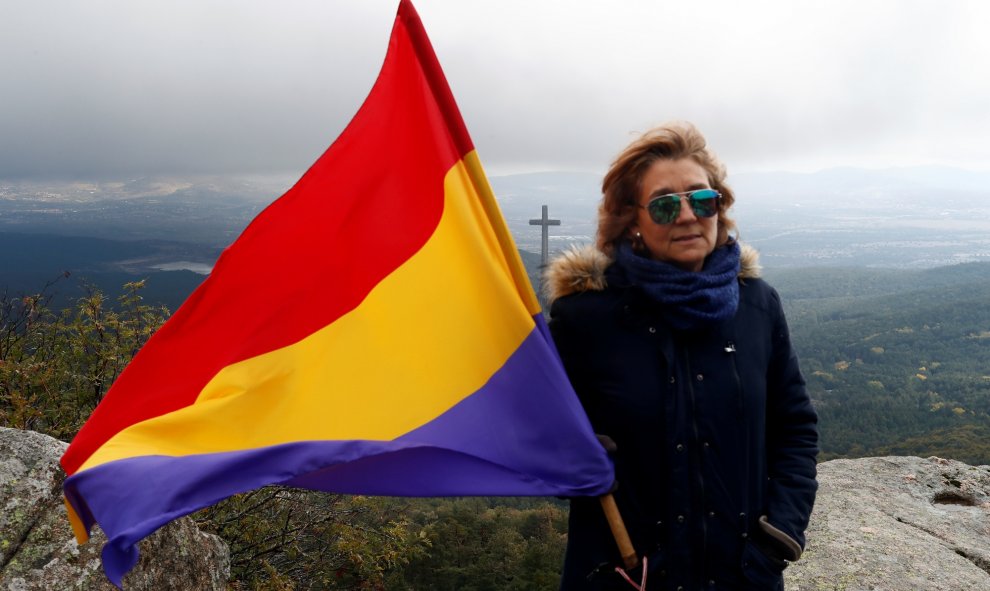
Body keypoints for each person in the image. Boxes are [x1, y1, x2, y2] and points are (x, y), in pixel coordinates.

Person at [546, 122, 818, 591]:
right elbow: (538, 431)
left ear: (720, 206)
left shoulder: (756, 304)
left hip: (742, 576)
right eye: (666, 204)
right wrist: (574, 453)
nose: (688, 215)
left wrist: (779, 537)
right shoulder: (585, 318)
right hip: (625, 577)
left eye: (703, 199)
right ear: (632, 219)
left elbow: (793, 425)